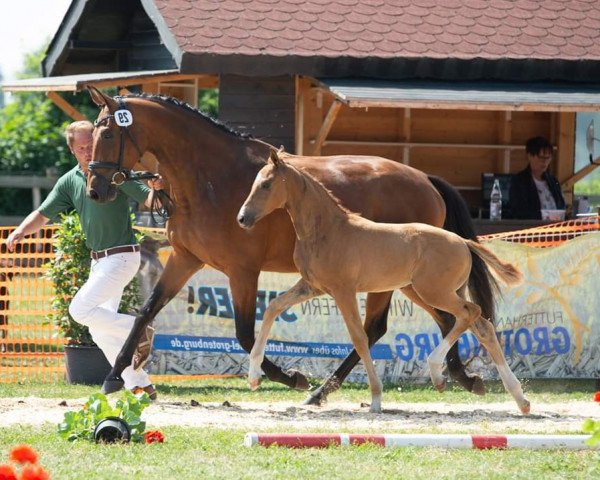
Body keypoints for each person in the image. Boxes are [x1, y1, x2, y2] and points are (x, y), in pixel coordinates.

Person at [5, 120, 163, 399]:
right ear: (72, 151)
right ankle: (140, 385)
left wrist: (158, 188)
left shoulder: (114, 173)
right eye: (82, 148)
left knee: (79, 310)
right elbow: (43, 214)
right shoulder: (69, 180)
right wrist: (20, 231)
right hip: (99, 261)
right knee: (100, 331)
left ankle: (138, 328)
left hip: (122, 256)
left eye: (92, 145)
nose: (89, 152)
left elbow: (150, 200)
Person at [508, 136, 566, 219]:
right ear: (530, 156)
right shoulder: (519, 181)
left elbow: (561, 205)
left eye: (548, 158)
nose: (545, 161)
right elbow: (519, 211)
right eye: (541, 157)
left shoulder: (553, 181)